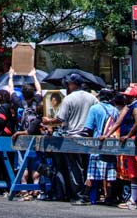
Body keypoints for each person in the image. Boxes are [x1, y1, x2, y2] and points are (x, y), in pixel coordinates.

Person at [41, 73, 98, 205]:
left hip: (73, 136)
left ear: (73, 84)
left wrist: (48, 121)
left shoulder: (69, 99)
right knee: (87, 167)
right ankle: (86, 194)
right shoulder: (92, 98)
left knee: (75, 168)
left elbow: (60, 119)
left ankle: (79, 195)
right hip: (89, 136)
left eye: (68, 84)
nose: (67, 86)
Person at [82, 88, 118, 205]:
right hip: (111, 146)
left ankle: (86, 196)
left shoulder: (94, 108)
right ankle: (109, 197)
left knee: (91, 174)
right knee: (109, 174)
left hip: (97, 144)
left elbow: (88, 128)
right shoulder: (115, 110)